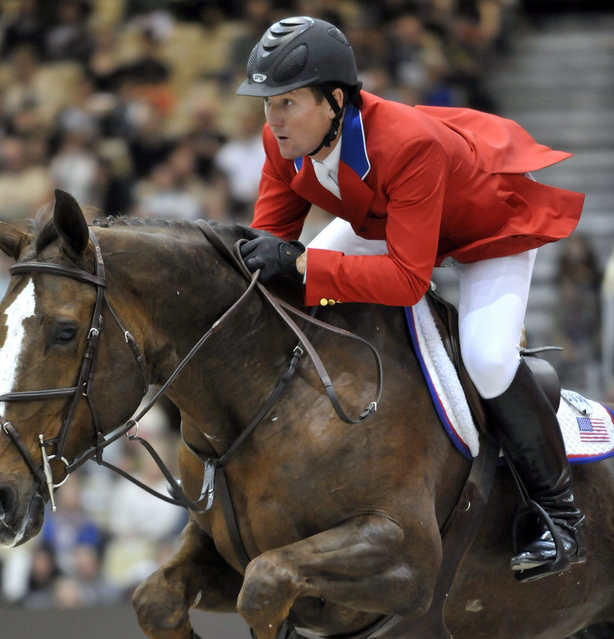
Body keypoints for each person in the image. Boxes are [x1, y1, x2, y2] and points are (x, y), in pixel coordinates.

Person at [237, 15, 586, 581]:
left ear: (333, 100)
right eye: (267, 103)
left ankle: (560, 516)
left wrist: (302, 262)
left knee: (487, 357)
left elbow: (407, 281)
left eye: (287, 102)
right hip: (390, 221)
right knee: (294, 289)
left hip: (486, 231)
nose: (272, 118)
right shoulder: (285, 139)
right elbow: (265, 247)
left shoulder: (405, 144)